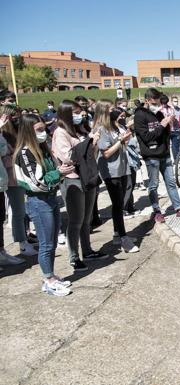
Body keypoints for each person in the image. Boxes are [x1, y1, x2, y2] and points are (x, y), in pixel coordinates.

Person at [14, 114, 74, 296]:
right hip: (38, 202)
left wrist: (61, 171)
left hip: (50, 198)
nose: (43, 133)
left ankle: (51, 276)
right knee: (46, 244)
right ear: (28, 132)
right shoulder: (25, 153)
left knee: (52, 241)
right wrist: (58, 173)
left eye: (44, 129)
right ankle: (48, 280)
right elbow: (35, 183)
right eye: (39, 130)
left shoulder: (42, 148)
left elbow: (52, 173)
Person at [52, 100, 108, 272]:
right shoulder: (60, 133)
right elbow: (69, 156)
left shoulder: (80, 129)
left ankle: (88, 250)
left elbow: (91, 152)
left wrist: (92, 141)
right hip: (73, 180)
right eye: (76, 112)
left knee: (87, 219)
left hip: (88, 177)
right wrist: (88, 142)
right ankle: (74, 257)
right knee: (76, 220)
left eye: (81, 112)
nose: (81, 115)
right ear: (67, 114)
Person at [133, 88, 180, 222]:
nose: (159, 106)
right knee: (153, 185)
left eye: (159, 103)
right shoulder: (139, 115)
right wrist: (161, 126)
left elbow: (166, 135)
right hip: (151, 156)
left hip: (164, 154)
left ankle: (179, 208)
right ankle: (156, 211)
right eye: (155, 103)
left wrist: (170, 124)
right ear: (147, 101)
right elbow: (146, 137)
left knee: (171, 183)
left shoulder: (160, 114)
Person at [94, 100, 139, 253]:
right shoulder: (102, 129)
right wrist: (121, 141)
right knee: (117, 203)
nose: (117, 112)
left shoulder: (115, 126)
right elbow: (106, 153)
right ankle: (123, 239)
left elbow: (122, 145)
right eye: (112, 109)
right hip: (111, 171)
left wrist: (125, 139)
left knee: (120, 203)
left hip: (122, 167)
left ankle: (117, 234)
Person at [0, 106, 38, 257]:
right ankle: (22, 243)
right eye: (14, 117)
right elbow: (6, 158)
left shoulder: (17, 133)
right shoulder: (3, 134)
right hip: (11, 178)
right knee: (18, 212)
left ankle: (25, 238)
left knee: (23, 211)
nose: (18, 119)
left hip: (21, 175)